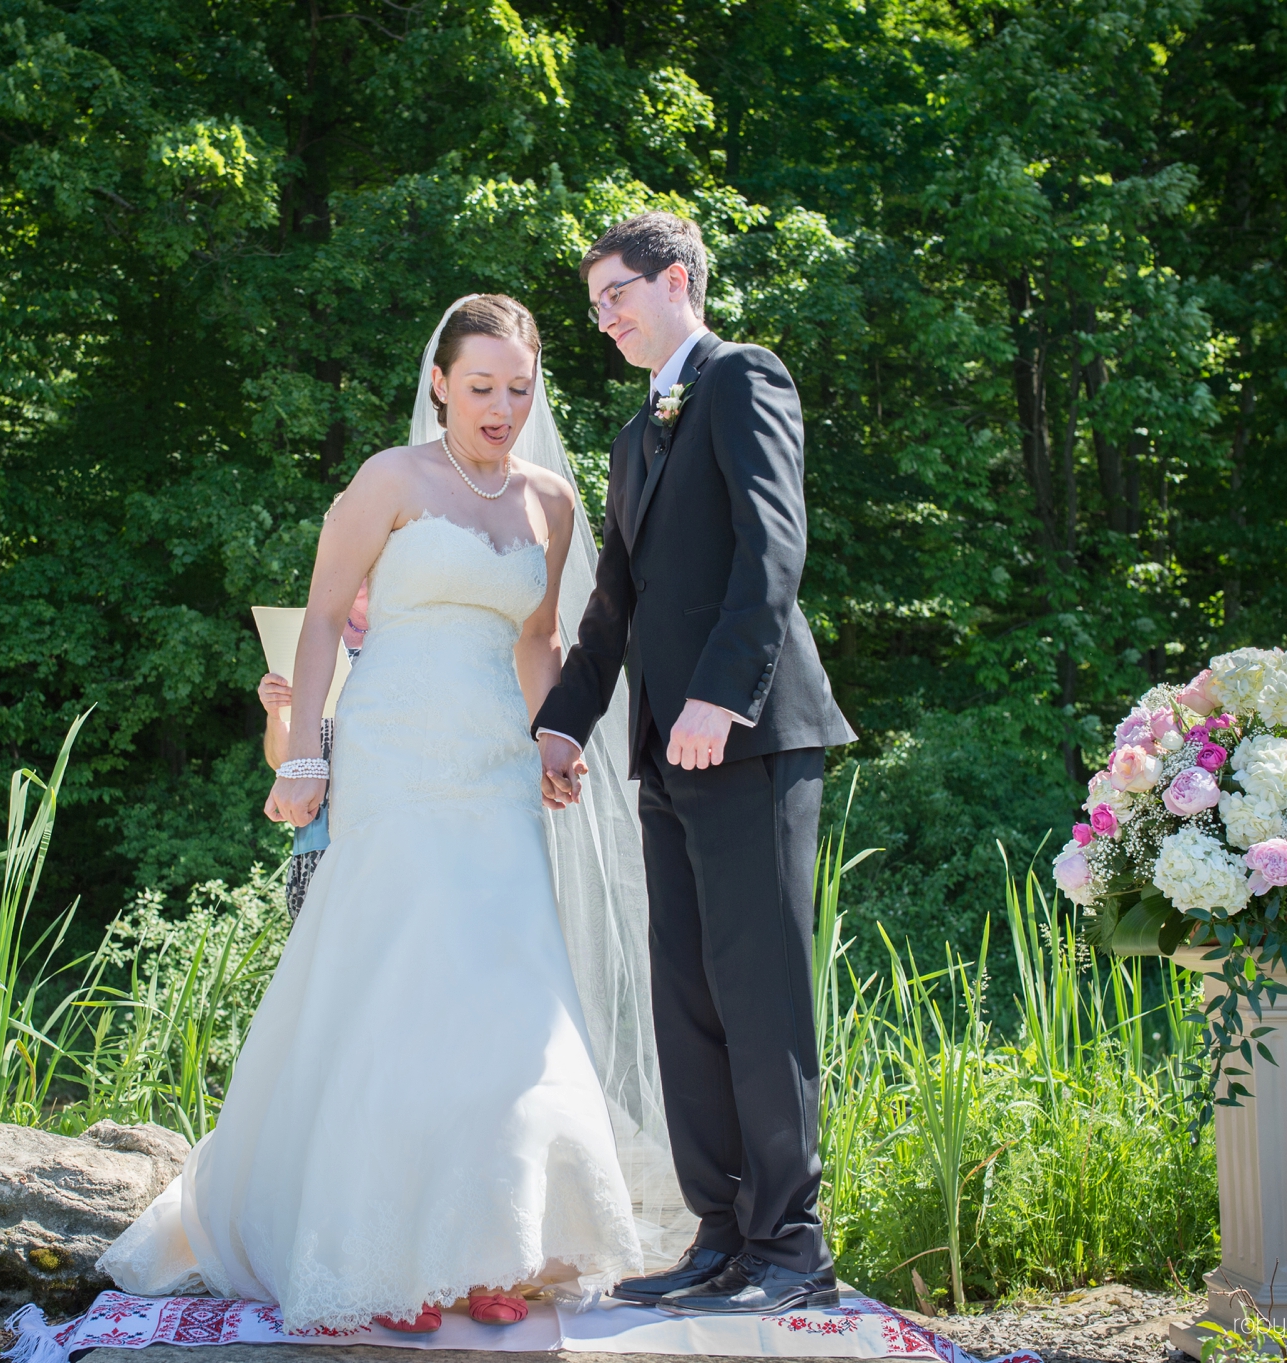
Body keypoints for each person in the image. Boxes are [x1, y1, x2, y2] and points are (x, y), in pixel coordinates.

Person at [100, 295, 644, 1333]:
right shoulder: (387, 481)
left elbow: (536, 642)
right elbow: (316, 618)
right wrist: (304, 753)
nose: (500, 406)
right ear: (439, 382)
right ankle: (377, 1254)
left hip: (494, 769)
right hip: (395, 760)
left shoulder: (549, 502)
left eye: (519, 388)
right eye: (480, 386)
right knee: (405, 989)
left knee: (505, 1003)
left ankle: (489, 1244)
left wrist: (554, 738)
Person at [534, 211, 858, 1315]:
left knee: (759, 994)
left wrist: (721, 693)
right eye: (591, 304)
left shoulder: (740, 377)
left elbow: (773, 543)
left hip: (753, 737)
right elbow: (613, 602)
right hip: (661, 756)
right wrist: (561, 722)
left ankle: (790, 1247)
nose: (602, 318)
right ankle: (720, 1233)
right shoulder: (635, 434)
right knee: (690, 1000)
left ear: (674, 280)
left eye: (614, 294)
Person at [257, 584, 368, 919]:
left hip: (380, 834)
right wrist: (275, 713)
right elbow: (281, 762)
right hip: (318, 840)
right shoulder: (311, 641)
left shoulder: (408, 638)